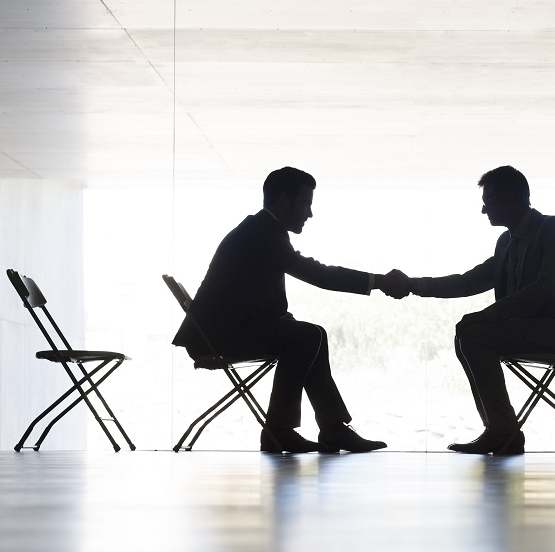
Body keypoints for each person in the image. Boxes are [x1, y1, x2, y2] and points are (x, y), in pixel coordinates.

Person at [172, 166, 408, 453]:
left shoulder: (259, 229)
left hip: (221, 332)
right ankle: (281, 431)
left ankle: (330, 429)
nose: (309, 213)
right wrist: (379, 282)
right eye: (306, 203)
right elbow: (318, 275)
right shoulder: (264, 234)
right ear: (284, 202)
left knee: (311, 335)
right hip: (221, 338)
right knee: (307, 336)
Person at [404, 165, 555, 454]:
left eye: (488, 203)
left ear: (510, 199)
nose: (484, 211)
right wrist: (412, 285)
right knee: (467, 333)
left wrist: (488, 315)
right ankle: (499, 429)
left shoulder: (553, 228)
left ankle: (502, 432)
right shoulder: (506, 242)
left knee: (473, 335)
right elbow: (469, 281)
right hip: (536, 328)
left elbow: (546, 287)